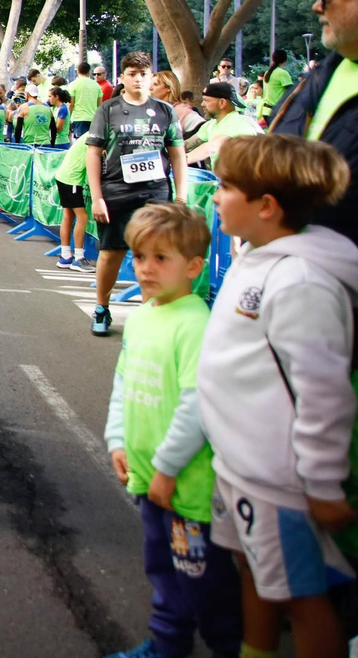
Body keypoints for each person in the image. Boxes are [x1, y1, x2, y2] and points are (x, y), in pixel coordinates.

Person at [201, 134, 358, 658]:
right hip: (242, 466)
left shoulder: (301, 281)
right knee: (258, 572)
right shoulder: (257, 257)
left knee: (303, 597)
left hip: (281, 480)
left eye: (225, 187)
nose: (216, 196)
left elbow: (323, 391)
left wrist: (320, 481)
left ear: (266, 206)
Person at [102, 202, 242, 658]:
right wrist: (117, 440)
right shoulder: (143, 315)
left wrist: (166, 468)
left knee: (205, 585)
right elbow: (124, 381)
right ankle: (167, 645)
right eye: (140, 257)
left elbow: (197, 405)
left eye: (161, 258)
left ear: (195, 266)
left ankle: (229, 647)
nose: (145, 269)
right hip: (151, 478)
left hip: (189, 490)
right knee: (162, 569)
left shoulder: (195, 324)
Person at [85, 52, 186, 338]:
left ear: (152, 77)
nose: (138, 79)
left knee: (155, 254)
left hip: (156, 192)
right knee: (111, 252)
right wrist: (97, 197)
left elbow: (178, 155)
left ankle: (149, 313)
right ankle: (102, 308)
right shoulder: (108, 110)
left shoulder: (166, 111)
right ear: (123, 77)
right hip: (116, 190)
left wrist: (181, 197)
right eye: (132, 74)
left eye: (143, 74)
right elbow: (92, 153)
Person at [184, 80, 262, 166]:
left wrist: (179, 161)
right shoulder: (211, 125)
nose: (202, 104)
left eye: (207, 100)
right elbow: (188, 144)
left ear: (222, 102)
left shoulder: (239, 122)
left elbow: (212, 147)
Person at [54, 134, 94, 272]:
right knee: (82, 217)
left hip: (64, 176)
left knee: (68, 216)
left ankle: (65, 256)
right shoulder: (97, 137)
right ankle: (78, 258)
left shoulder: (89, 134)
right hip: (72, 179)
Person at [261, 48, 295, 125]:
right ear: (285, 60)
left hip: (266, 111)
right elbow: (292, 91)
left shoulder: (267, 73)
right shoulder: (282, 73)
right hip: (276, 111)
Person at [68, 63, 102, 139]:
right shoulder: (96, 85)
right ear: (89, 72)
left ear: (78, 71)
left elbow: (71, 104)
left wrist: (68, 120)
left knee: (80, 145)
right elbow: (100, 105)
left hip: (79, 119)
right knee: (92, 144)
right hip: (93, 119)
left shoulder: (73, 85)